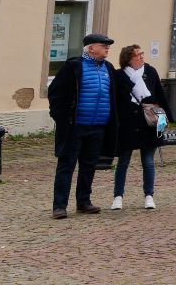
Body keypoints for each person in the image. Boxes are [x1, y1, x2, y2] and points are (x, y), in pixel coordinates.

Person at [46, 33, 124, 218]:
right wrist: (62, 118)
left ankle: (84, 201)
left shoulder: (108, 68)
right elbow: (56, 93)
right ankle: (59, 205)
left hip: (98, 125)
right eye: (103, 45)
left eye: (108, 46)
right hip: (75, 126)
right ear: (91, 48)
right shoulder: (74, 66)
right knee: (66, 165)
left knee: (89, 165)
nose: (107, 48)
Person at [112, 43, 164, 210]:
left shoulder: (150, 72)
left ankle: (149, 195)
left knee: (148, 162)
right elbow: (116, 101)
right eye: (138, 55)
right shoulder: (119, 75)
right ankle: (118, 196)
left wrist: (161, 126)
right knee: (123, 162)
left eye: (142, 54)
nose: (142, 57)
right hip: (127, 124)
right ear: (128, 59)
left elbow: (161, 99)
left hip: (149, 124)